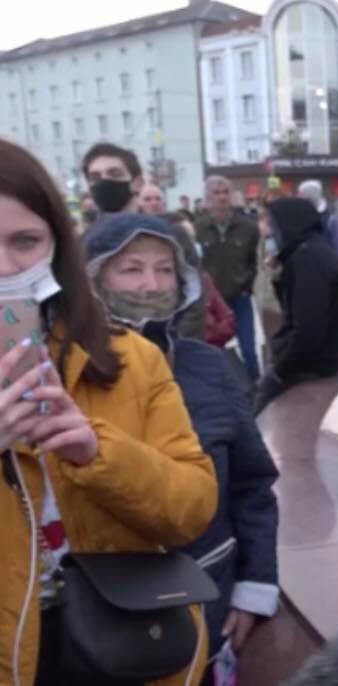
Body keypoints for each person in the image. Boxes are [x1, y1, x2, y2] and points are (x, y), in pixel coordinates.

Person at [0, 139, 217, 685]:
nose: (4, 267)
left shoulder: (130, 358)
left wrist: (98, 452)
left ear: (57, 246)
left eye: (25, 241)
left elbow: (191, 509)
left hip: (121, 643)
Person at [83, 213, 280, 684]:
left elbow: (252, 483)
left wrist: (254, 585)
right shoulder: (69, 375)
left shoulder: (208, 367)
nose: (151, 285)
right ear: (91, 279)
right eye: (131, 269)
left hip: (207, 599)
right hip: (102, 617)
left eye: (165, 269)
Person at [253, 198, 338, 414]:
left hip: (310, 367)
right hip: (315, 363)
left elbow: (308, 327)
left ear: (288, 224)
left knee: (255, 412)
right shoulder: (308, 253)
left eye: (272, 224)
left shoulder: (308, 260)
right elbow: (293, 309)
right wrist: (279, 276)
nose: (267, 232)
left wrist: (280, 371)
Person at [195, 176, 261, 382]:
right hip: (212, 302)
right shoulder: (197, 229)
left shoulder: (248, 227)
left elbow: (254, 261)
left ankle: (256, 388)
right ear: (207, 197)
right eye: (216, 193)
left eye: (225, 192)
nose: (222, 197)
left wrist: (247, 286)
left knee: (249, 350)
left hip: (240, 298)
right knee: (211, 350)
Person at [161, 212, 236, 348]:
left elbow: (228, 320)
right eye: (186, 238)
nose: (193, 245)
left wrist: (211, 334)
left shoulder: (203, 279)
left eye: (193, 238)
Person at [81, 141, 144, 215]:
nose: (104, 181)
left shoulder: (152, 222)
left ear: (137, 183)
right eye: (95, 178)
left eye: (115, 174)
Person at [297, 179, 338, 258]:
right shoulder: (299, 217)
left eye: (301, 195)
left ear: (310, 198)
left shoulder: (330, 220)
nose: (298, 199)